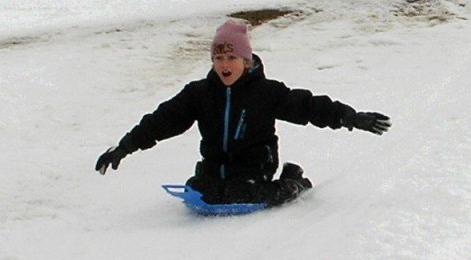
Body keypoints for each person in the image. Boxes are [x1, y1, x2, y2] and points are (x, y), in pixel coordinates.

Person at [95, 18, 390, 205]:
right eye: (219, 57)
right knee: (198, 191)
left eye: (232, 57)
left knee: (240, 192)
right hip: (214, 166)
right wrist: (125, 147)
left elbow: (308, 106)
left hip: (255, 167)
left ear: (246, 61)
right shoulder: (199, 93)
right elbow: (162, 120)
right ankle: (227, 185)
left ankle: (292, 181)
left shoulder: (265, 92)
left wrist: (349, 117)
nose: (225, 64)